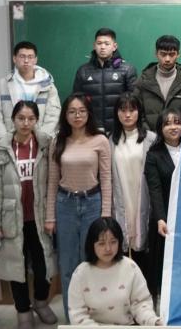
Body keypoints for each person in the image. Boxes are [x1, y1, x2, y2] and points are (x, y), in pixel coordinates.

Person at [0, 100, 58, 329]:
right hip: (11, 220)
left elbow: (54, 181)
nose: (26, 123)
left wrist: (52, 215)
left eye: (31, 118)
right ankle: (23, 310)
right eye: (21, 118)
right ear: (13, 120)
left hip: (39, 218)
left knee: (44, 266)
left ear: (37, 120)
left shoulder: (46, 145)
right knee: (17, 268)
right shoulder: (0, 148)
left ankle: (41, 302)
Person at [45, 93, 112, 318]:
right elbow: (52, 181)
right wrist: (50, 217)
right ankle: (72, 317)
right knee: (68, 265)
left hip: (92, 203)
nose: (77, 116)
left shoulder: (100, 140)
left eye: (82, 111)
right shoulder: (58, 141)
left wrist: (105, 214)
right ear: (65, 115)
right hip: (65, 205)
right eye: (72, 111)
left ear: (89, 114)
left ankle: (92, 317)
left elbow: (106, 179)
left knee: (91, 262)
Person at [68, 217, 161, 326]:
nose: (108, 248)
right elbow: (77, 314)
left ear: (119, 242)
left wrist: (153, 321)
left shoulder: (130, 267)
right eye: (101, 243)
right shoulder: (80, 274)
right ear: (91, 245)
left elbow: (141, 303)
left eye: (113, 242)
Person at [109, 93, 157, 279]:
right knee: (121, 242)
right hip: (121, 198)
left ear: (139, 112)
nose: (127, 115)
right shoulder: (110, 140)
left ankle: (144, 291)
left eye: (132, 110)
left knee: (143, 245)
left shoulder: (151, 139)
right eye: (123, 110)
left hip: (143, 197)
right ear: (116, 113)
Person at [145, 109, 181, 296]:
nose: (173, 127)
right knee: (163, 265)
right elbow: (154, 190)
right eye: (168, 123)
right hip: (165, 219)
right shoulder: (153, 155)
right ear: (160, 128)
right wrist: (160, 219)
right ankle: (161, 302)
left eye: (177, 122)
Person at [0, 40, 61, 140]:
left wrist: (40, 140)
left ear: (35, 60)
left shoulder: (48, 86)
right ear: (14, 58)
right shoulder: (3, 84)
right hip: (9, 141)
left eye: (30, 57)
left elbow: (53, 116)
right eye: (22, 56)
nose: (26, 61)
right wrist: (5, 140)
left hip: (40, 142)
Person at [71, 28, 137, 132]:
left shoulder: (127, 69)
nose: (102, 47)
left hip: (119, 129)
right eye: (99, 43)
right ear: (94, 45)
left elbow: (135, 101)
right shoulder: (83, 71)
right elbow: (76, 101)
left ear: (114, 46)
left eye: (107, 43)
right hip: (91, 129)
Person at [133, 34, 181, 130]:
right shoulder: (143, 81)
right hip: (149, 136)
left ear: (178, 54)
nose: (167, 59)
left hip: (177, 136)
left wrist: (178, 134)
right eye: (163, 54)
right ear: (156, 54)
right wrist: (149, 135)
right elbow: (137, 111)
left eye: (172, 54)